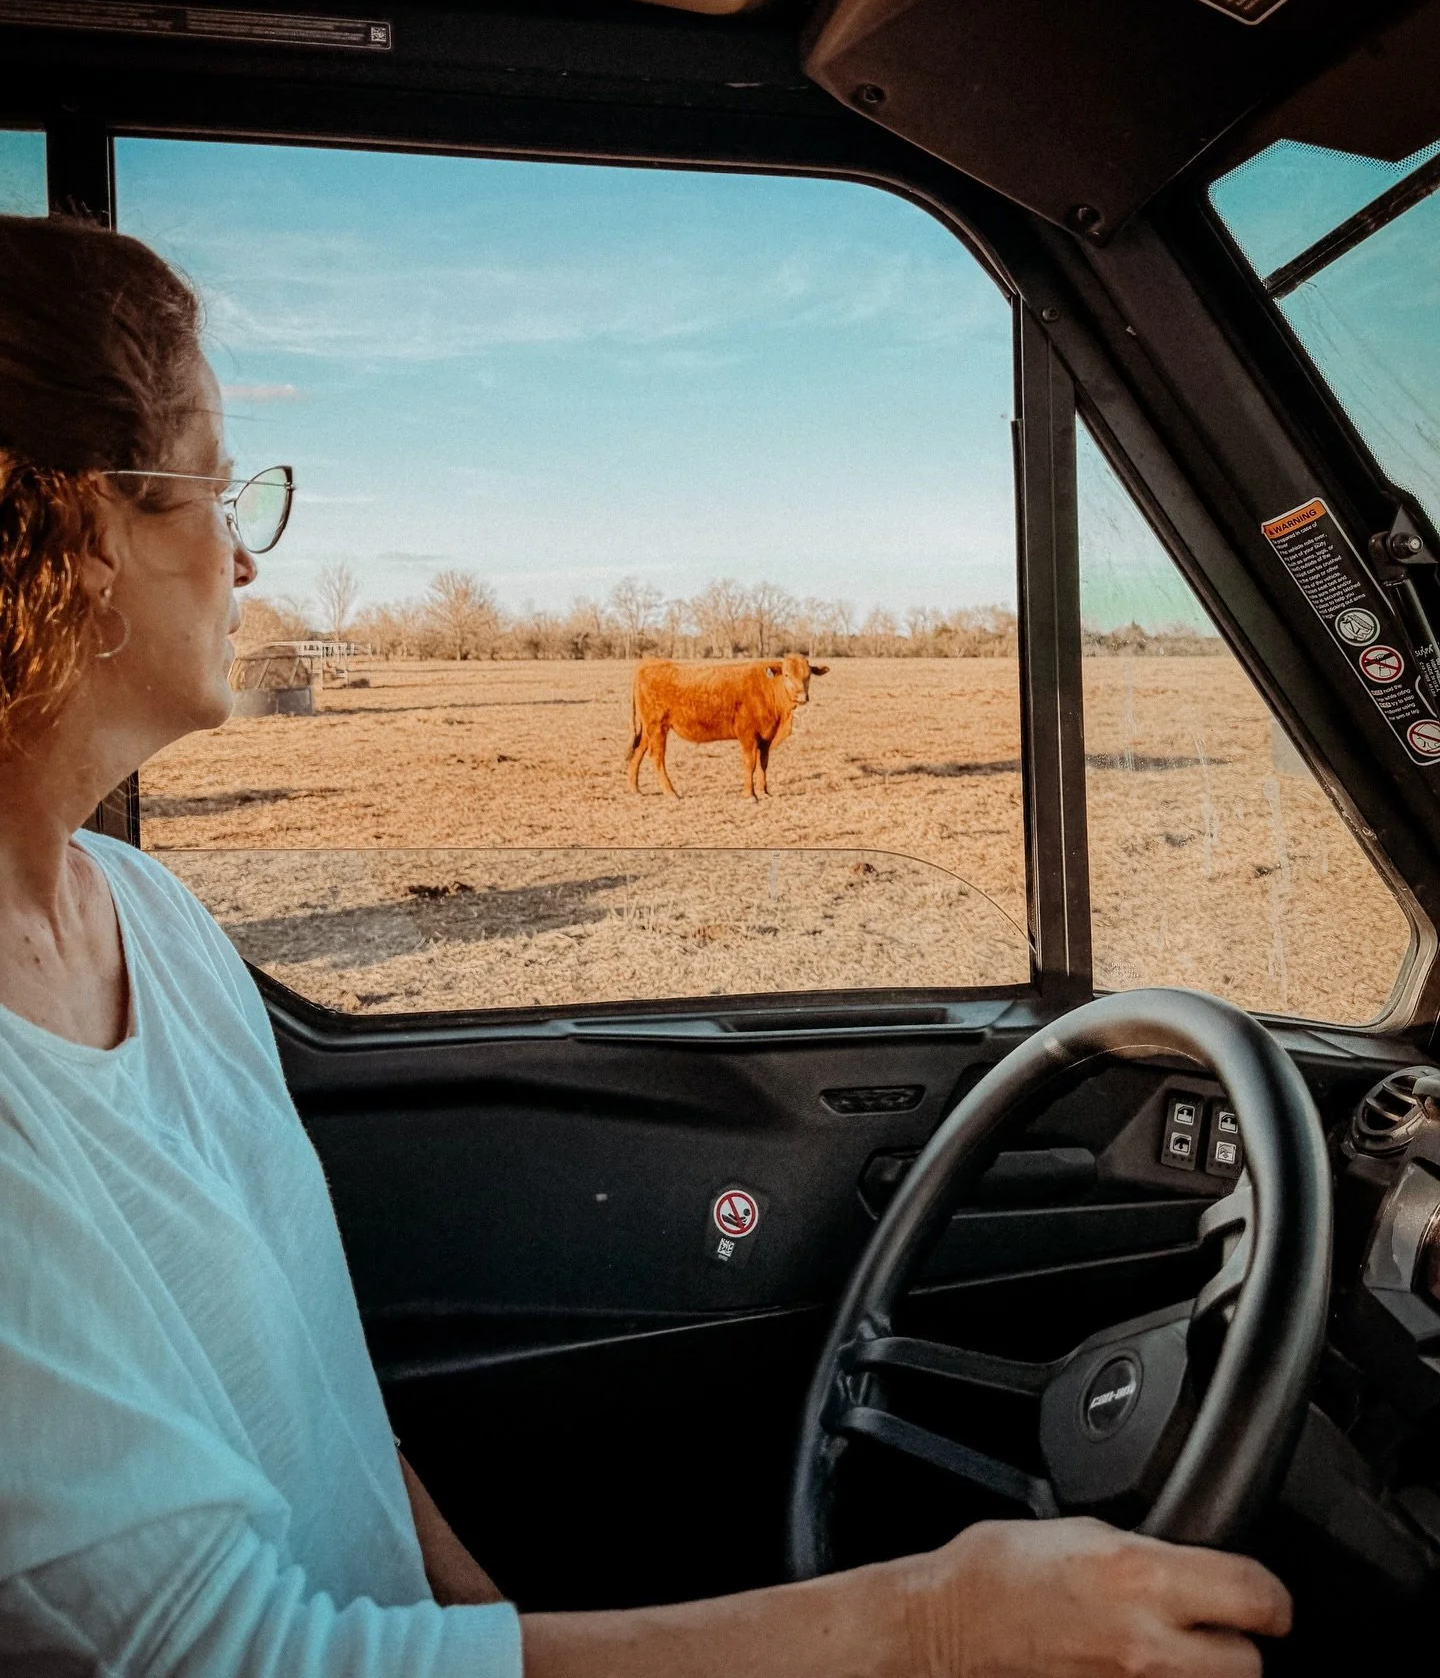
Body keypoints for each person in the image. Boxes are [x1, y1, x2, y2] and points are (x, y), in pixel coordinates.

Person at [0, 212, 1290, 1677]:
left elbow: (319, 1390)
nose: (247, 561)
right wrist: (924, 1628)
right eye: (224, 492)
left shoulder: (153, 920)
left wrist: (474, 1612)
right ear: (88, 526)